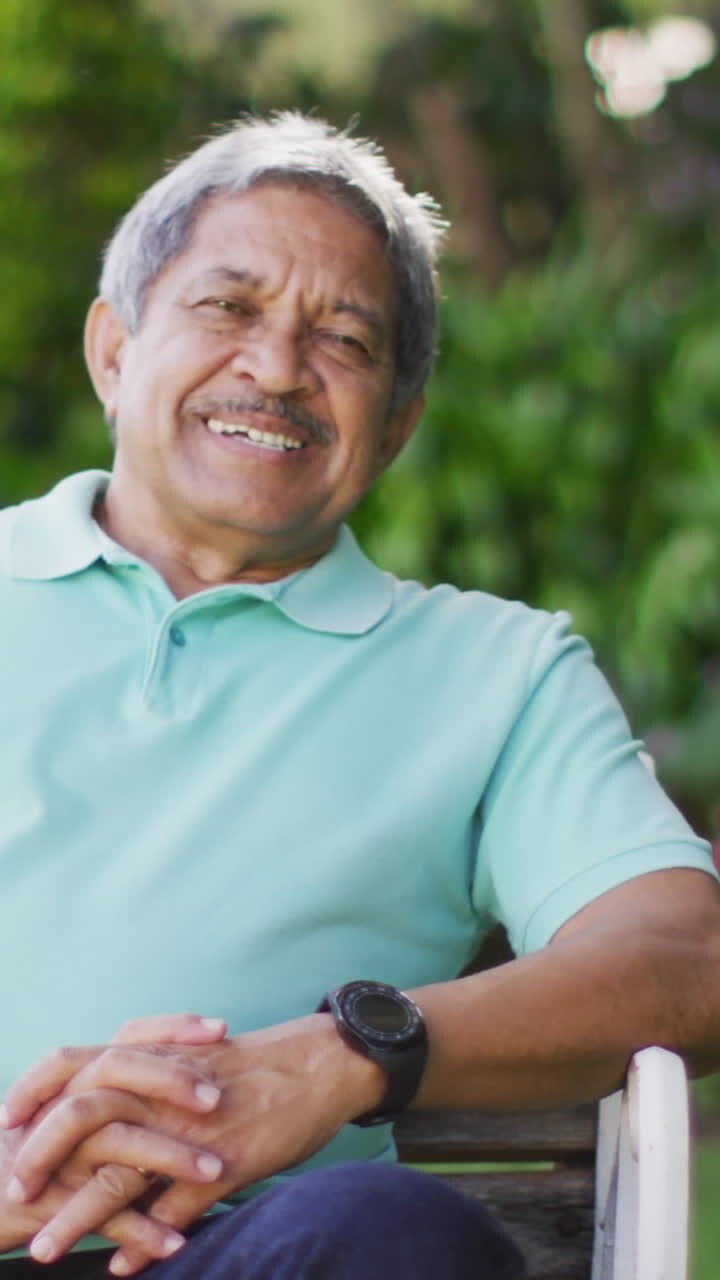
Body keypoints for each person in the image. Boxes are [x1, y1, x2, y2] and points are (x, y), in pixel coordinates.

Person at [0, 112, 718, 1280]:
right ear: (114, 350)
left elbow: (689, 958)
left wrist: (350, 1050)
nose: (277, 368)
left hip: (246, 1256)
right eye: (228, 307)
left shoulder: (497, 675)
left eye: (344, 338)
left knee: (394, 1236)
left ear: (394, 427)